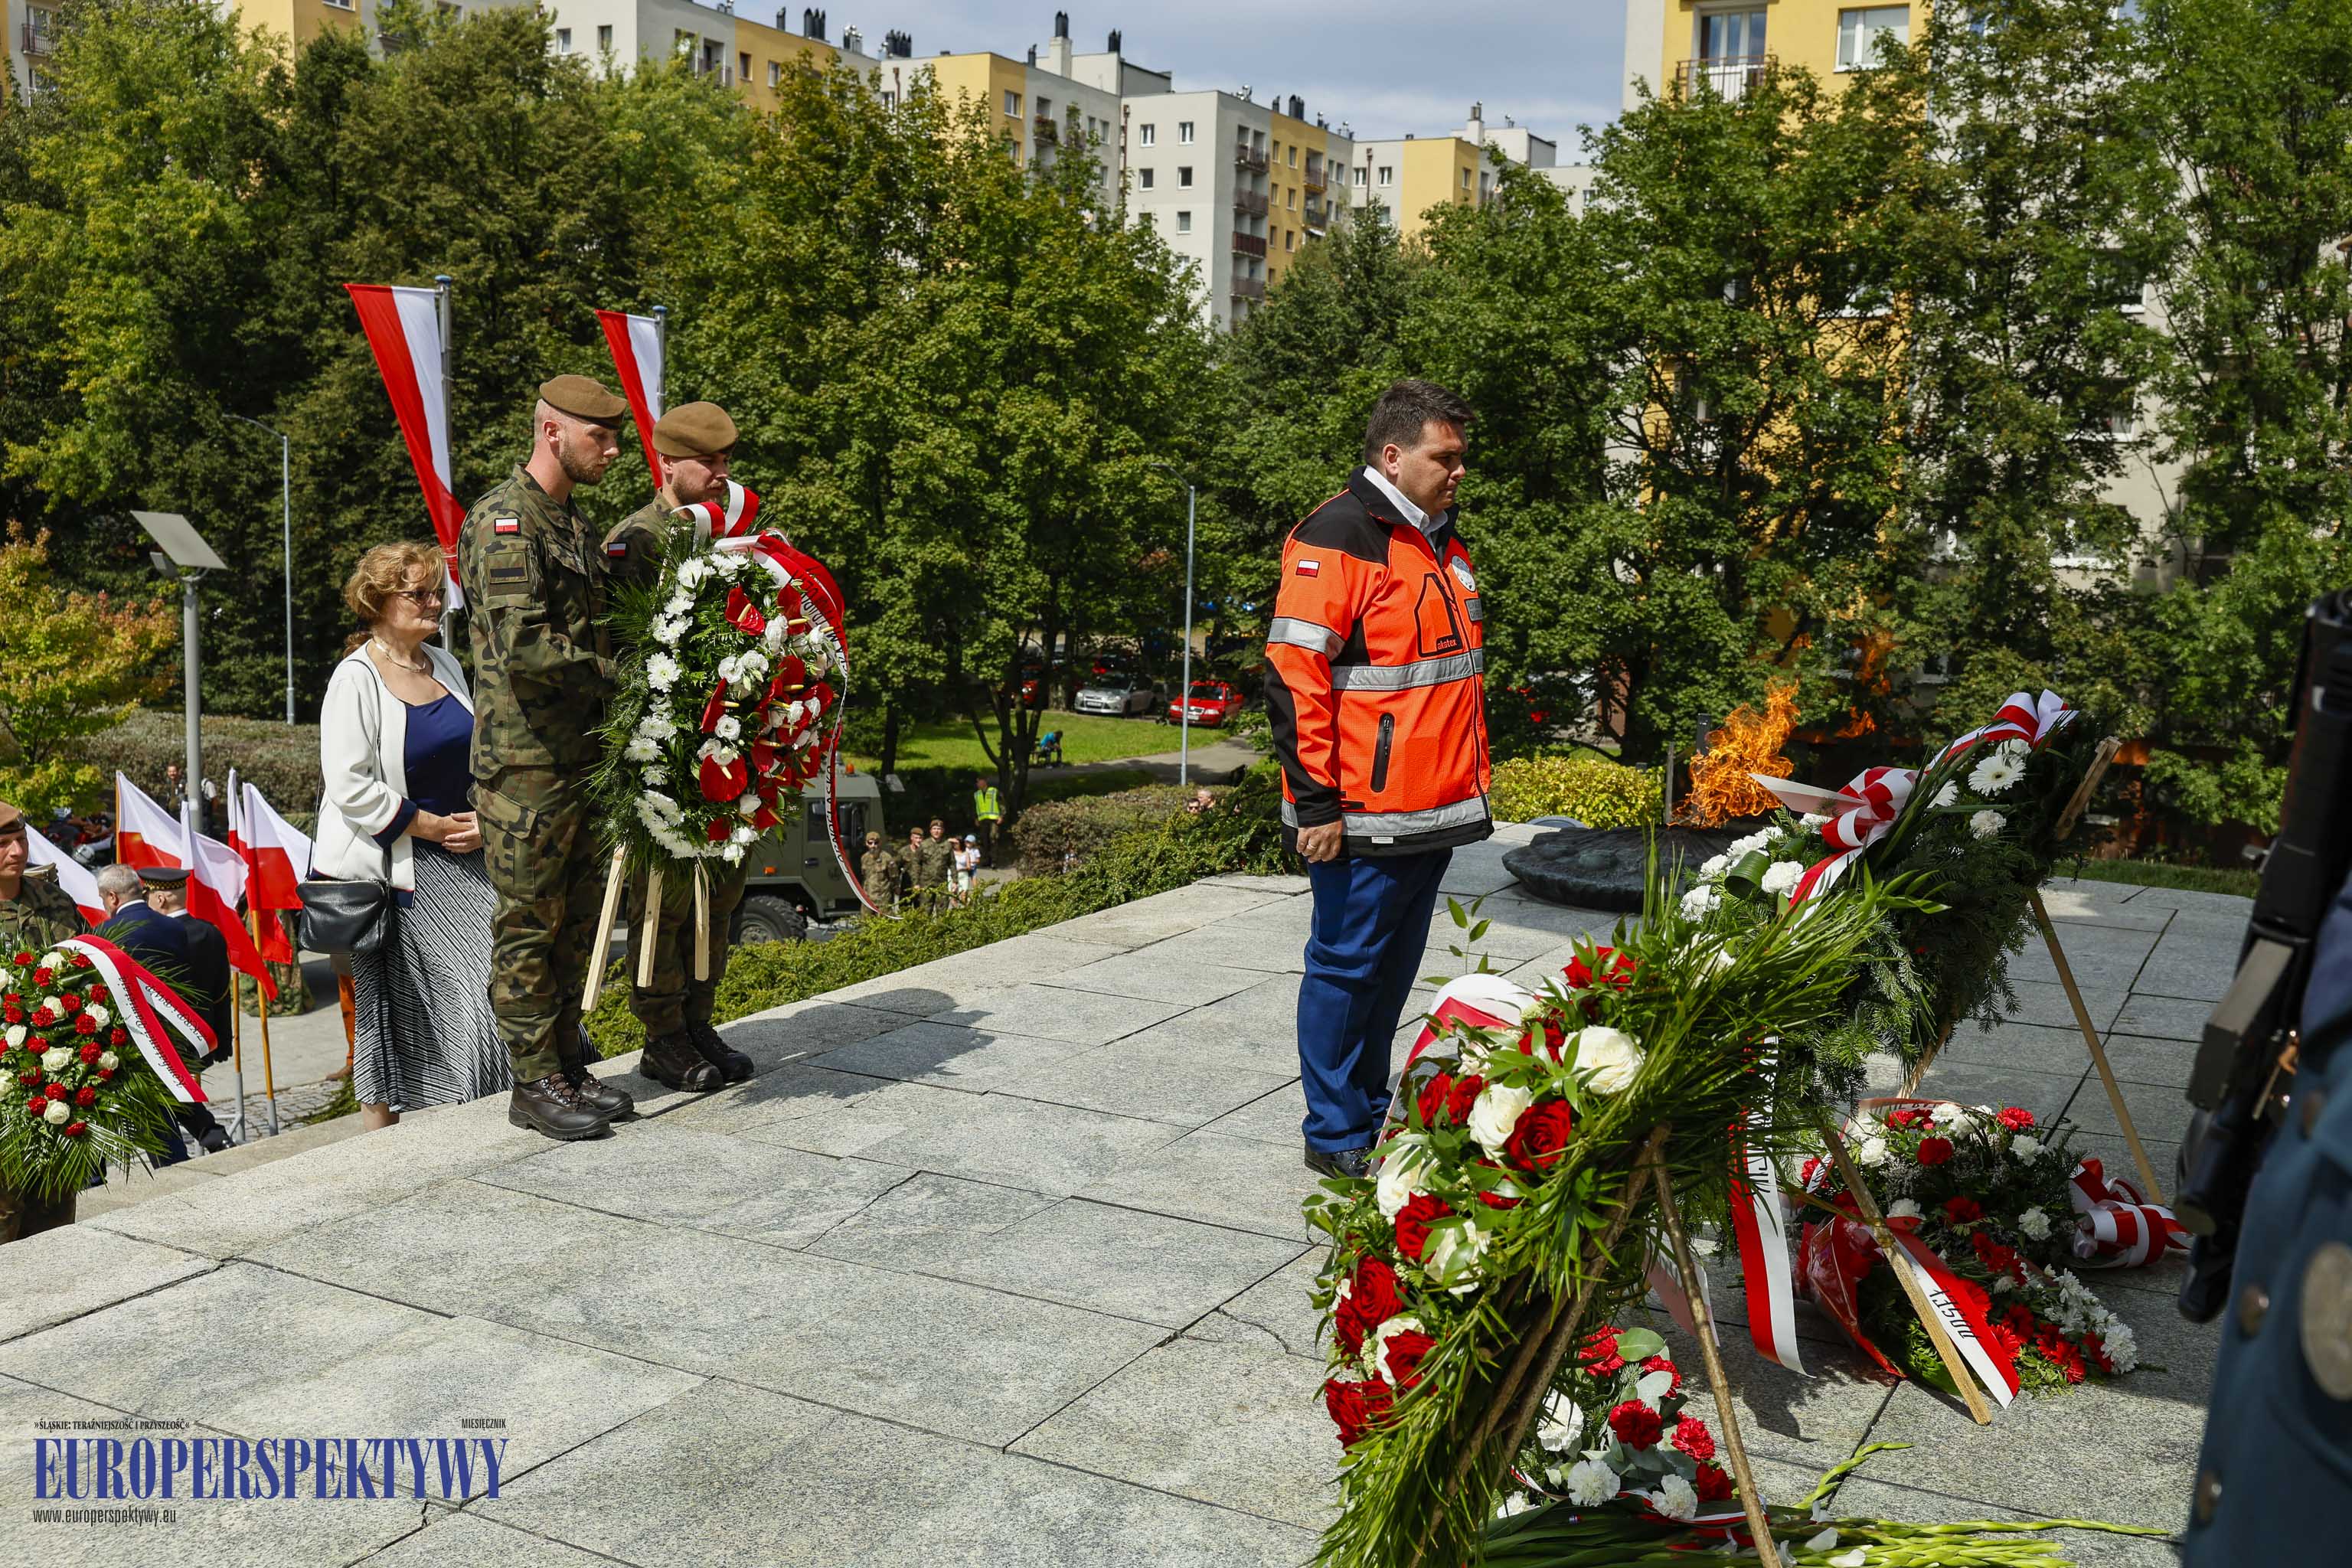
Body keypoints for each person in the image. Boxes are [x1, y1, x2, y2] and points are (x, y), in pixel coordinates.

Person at [1266, 379, 1490, 1181]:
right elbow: (1294, 675)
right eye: (1445, 457)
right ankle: (1333, 1133)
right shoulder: (1340, 535)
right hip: (1360, 813)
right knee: (1345, 968)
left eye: (1461, 457)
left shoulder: (1438, 540)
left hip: (1429, 811)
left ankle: (1366, 1108)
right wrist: (1316, 805)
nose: (1458, 471)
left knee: (1388, 975)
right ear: (1393, 456)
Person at [456, 374, 639, 1141]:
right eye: (601, 436)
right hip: (525, 762)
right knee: (529, 923)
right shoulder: (505, 521)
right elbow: (526, 647)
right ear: (552, 432)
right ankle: (532, 1082)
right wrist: (625, 680)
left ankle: (566, 1063)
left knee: (576, 921)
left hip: (580, 758)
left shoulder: (574, 526)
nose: (614, 449)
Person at [316, 541, 511, 1132]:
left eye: (436, 592)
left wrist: (485, 817)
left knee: (509, 978)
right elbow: (348, 785)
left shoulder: (444, 663)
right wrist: (428, 825)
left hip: (468, 858)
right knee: (456, 997)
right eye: (418, 594)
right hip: (398, 869)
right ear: (378, 601)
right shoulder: (354, 678)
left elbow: (479, 756)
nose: (434, 603)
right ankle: (443, 1134)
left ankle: (502, 1114)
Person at [601, 402, 758, 1091]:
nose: (721, 474)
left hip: (723, 750)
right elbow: (623, 651)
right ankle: (661, 1033)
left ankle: (698, 1019)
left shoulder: (728, 533)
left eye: (726, 462)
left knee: (719, 893)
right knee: (661, 902)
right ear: (667, 463)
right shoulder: (639, 539)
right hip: (660, 754)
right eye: (707, 462)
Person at [0, 802, 87, 1243]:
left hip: (56, 1088)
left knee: (54, 1217)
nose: (17, 852)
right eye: (4, 844)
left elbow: (90, 973)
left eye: (21, 840)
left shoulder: (55, 902)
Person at [93, 863, 198, 1167]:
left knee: (120, 1113)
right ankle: (177, 1161)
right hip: (171, 1033)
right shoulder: (174, 927)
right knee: (165, 1108)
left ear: (112, 897)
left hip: (127, 1039)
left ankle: (98, 1176)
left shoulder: (103, 935)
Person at [142, 870, 234, 1154]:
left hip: (167, 1039)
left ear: (159, 899)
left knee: (159, 1094)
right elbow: (222, 992)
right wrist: (224, 1040)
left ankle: (182, 1151)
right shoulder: (210, 932)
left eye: (147, 896)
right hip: (204, 1036)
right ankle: (210, 1136)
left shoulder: (154, 937)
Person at [861, 831, 903, 913]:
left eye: (876, 843)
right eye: (870, 843)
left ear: (880, 843)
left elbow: (894, 877)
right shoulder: (864, 858)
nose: (873, 846)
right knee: (866, 920)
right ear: (866, 843)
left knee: (883, 920)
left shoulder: (887, 858)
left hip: (883, 898)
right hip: (868, 897)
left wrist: (896, 888)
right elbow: (864, 877)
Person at [972, 775, 1002, 867]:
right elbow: (975, 807)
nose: (977, 784)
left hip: (994, 820)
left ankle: (994, 861)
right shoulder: (976, 794)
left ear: (984, 782)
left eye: (979, 781)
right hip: (982, 820)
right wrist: (976, 818)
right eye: (977, 782)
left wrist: (1001, 816)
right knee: (984, 840)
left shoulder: (994, 791)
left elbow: (1002, 803)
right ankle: (986, 860)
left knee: (993, 838)